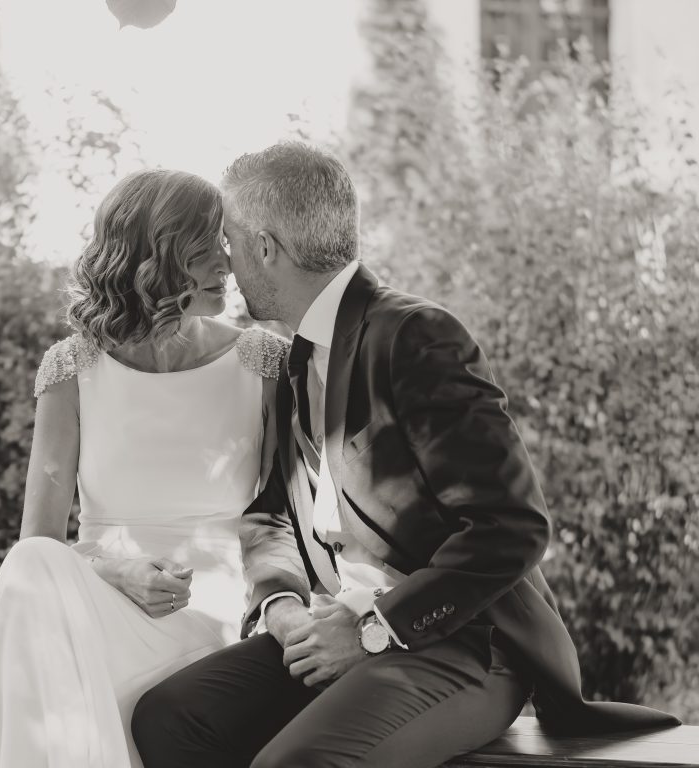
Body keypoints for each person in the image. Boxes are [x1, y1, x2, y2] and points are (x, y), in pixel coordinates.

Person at [132, 142, 680, 768]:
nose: (223, 264)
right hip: (335, 626)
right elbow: (272, 513)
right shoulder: (293, 357)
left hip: (462, 642)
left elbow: (512, 528)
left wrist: (374, 630)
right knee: (169, 717)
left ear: (266, 247)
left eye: (228, 241)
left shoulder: (415, 336)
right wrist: (281, 606)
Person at [0, 168, 308, 768]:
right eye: (204, 251)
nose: (226, 263)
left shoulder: (264, 362)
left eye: (225, 244)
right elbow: (38, 539)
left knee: (51, 653)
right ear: (154, 262)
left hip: (214, 614)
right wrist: (118, 571)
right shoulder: (72, 368)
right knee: (31, 566)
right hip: (101, 600)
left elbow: (281, 521)